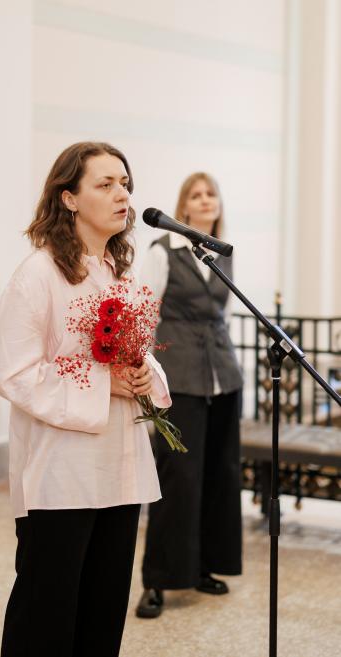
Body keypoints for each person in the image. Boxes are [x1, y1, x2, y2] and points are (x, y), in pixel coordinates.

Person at [0, 142, 171, 657]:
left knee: (104, 606)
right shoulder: (38, 274)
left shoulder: (120, 270)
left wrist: (141, 373)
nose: (123, 195)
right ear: (68, 198)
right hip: (60, 471)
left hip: (119, 463)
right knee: (47, 610)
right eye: (106, 184)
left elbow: (136, 351)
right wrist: (101, 383)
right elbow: (10, 371)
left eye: (125, 184)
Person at [136, 172, 243, 619]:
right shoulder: (163, 252)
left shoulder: (222, 255)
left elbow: (223, 312)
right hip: (179, 377)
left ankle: (204, 566)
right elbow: (143, 311)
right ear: (184, 207)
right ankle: (158, 579)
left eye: (210, 193)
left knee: (220, 474)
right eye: (195, 195)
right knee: (178, 477)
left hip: (223, 375)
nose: (204, 200)